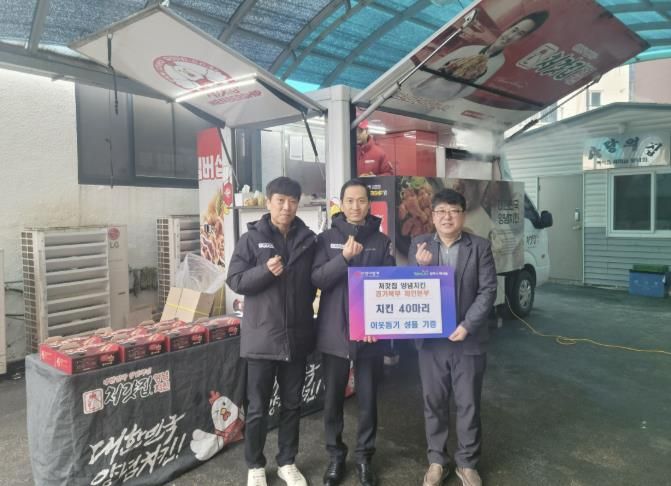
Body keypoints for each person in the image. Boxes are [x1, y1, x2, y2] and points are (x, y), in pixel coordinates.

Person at [226, 177, 317, 486]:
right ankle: (255, 465)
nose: (286, 207)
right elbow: (235, 280)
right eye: (280, 200)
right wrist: (265, 272)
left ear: (298, 204)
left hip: (296, 338)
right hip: (261, 338)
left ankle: (287, 462)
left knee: (292, 405)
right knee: (257, 408)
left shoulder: (308, 240)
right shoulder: (251, 239)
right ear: (268, 202)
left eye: (292, 201)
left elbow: (313, 283)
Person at [408, 188, 497, 486]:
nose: (447, 217)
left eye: (453, 211)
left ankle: (467, 464)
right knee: (433, 402)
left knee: (468, 403)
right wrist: (420, 268)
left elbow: (488, 290)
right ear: (432, 216)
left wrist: (468, 325)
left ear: (463, 215)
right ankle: (437, 460)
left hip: (467, 340)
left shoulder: (480, 247)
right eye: (441, 211)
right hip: (431, 343)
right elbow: (409, 288)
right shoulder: (419, 245)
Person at [311, 179, 395, 486]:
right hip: (334, 331)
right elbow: (318, 279)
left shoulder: (381, 241)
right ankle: (335, 456)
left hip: (369, 334)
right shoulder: (326, 239)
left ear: (369, 204)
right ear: (341, 203)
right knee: (333, 399)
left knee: (368, 399)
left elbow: (388, 286)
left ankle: (364, 458)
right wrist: (343, 258)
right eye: (350, 201)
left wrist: (376, 323)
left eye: (361, 201)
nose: (356, 206)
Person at [408, 11, 549, 101]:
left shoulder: (498, 62)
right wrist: (417, 85)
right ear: (508, 28)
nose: (510, 36)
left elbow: (470, 88)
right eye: (514, 29)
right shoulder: (470, 49)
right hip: (417, 89)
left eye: (519, 34)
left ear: (521, 39)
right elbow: (435, 68)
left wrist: (447, 98)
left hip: (441, 97)